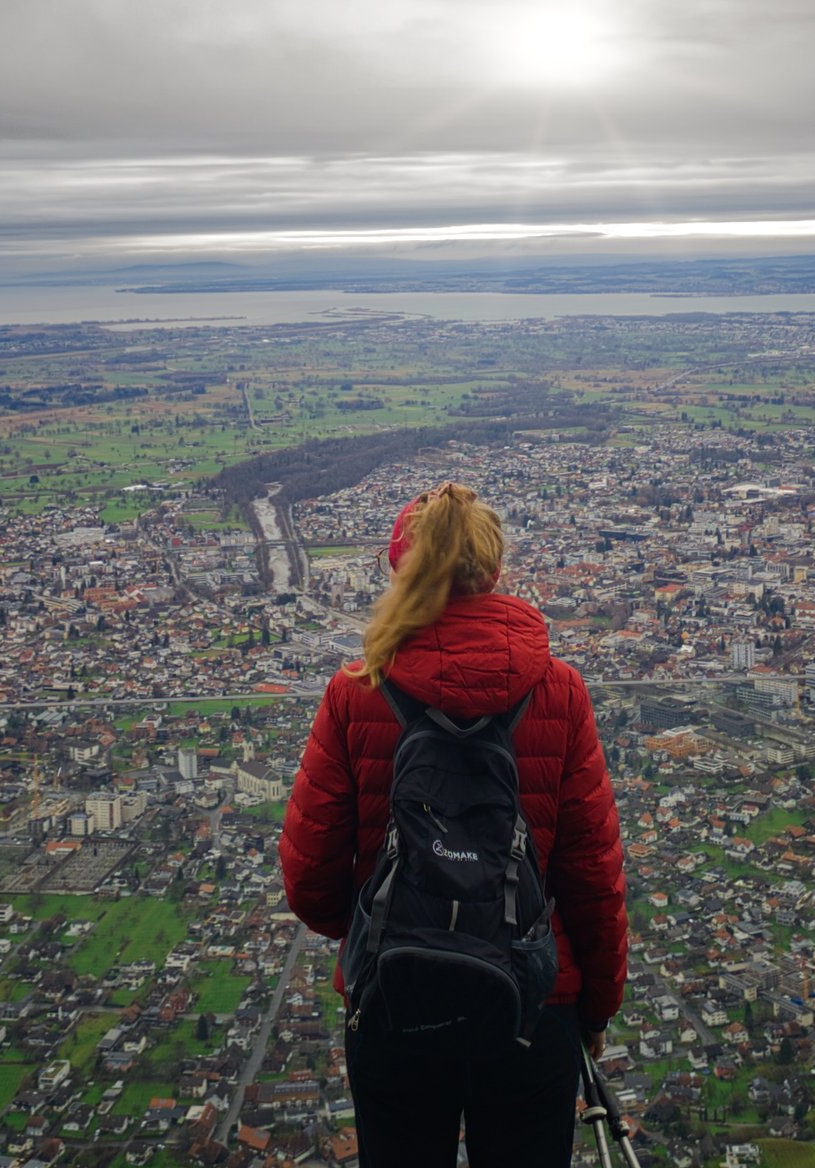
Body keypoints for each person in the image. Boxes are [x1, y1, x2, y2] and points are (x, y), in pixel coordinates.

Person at [280, 482, 628, 1167]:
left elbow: (310, 881)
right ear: (493, 568)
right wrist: (594, 1010)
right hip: (532, 1004)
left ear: (401, 570)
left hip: (393, 996)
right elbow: (593, 876)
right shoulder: (558, 690)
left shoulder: (356, 692)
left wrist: (368, 928)